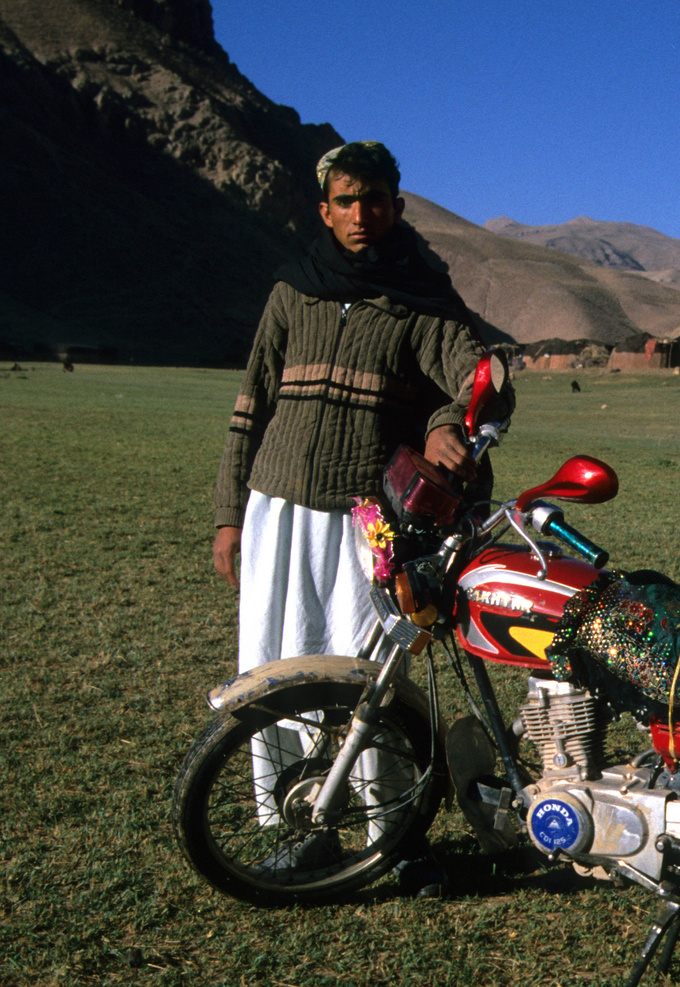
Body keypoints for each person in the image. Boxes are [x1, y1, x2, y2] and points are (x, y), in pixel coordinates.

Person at [211, 140, 511, 891]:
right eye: (345, 201)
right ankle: (293, 826)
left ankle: (394, 836)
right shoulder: (292, 292)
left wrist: (449, 422)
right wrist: (227, 516)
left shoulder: (419, 298)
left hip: (363, 520)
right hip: (276, 511)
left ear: (396, 206)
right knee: (276, 670)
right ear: (324, 211)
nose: (360, 214)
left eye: (373, 198)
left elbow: (479, 378)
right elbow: (249, 409)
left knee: (373, 679)